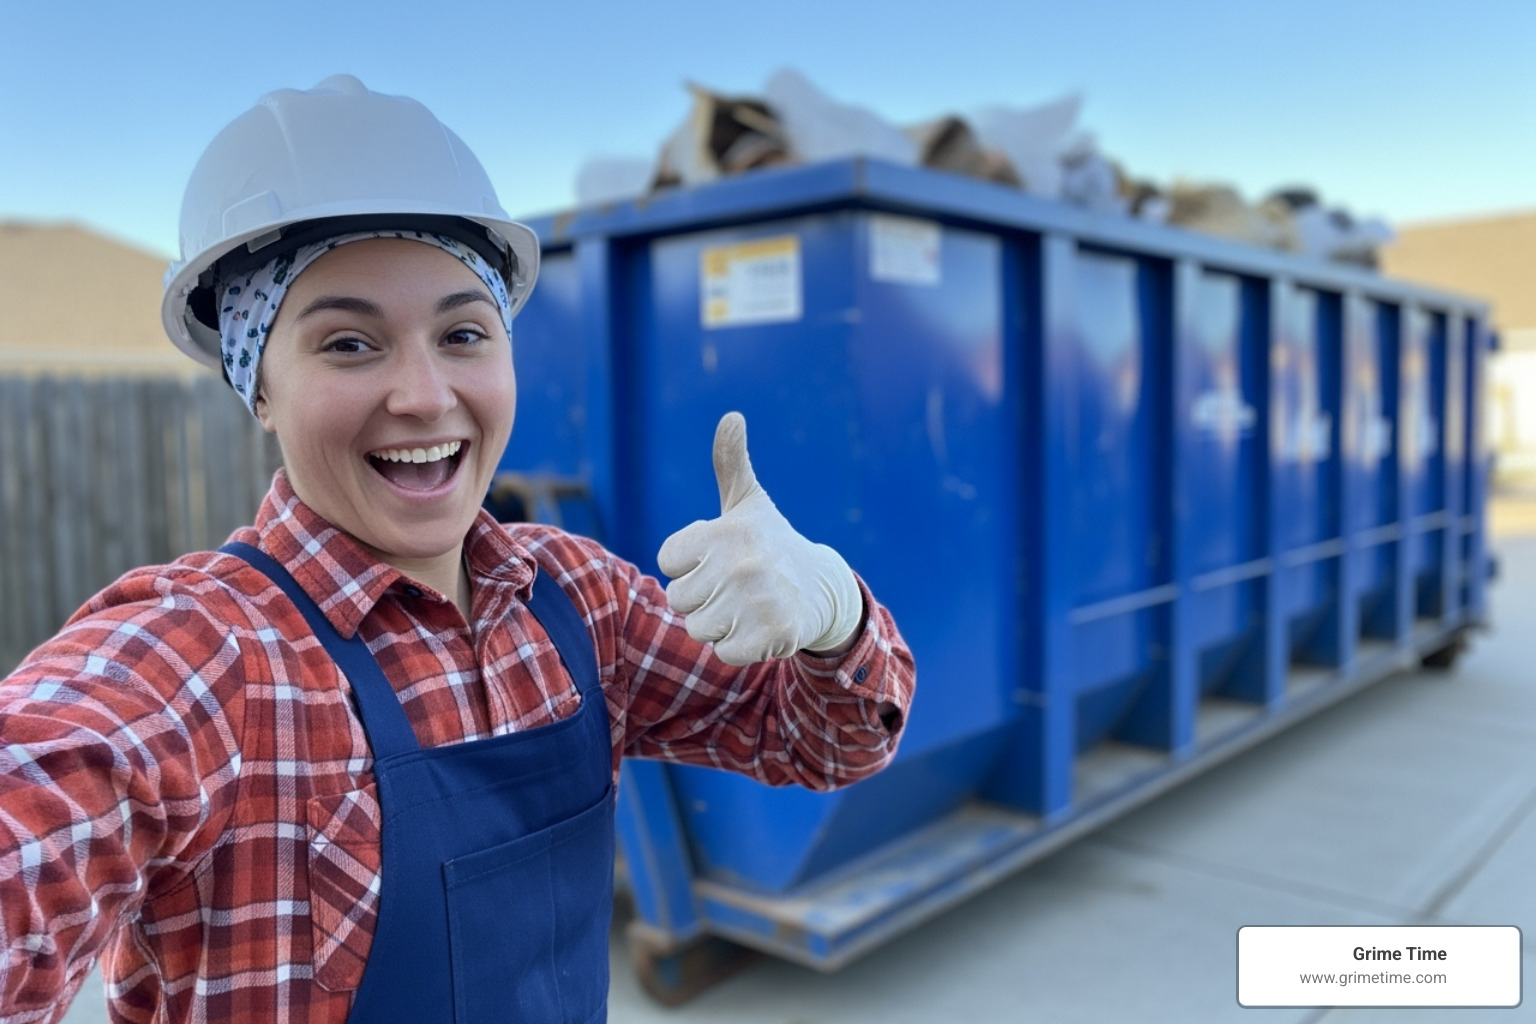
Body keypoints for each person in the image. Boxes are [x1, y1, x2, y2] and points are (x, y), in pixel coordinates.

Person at [0, 76, 914, 1023]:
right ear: (258, 389)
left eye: (463, 333)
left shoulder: (581, 603)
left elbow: (829, 746)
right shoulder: (209, 661)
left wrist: (833, 616)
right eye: (350, 344)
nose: (426, 395)